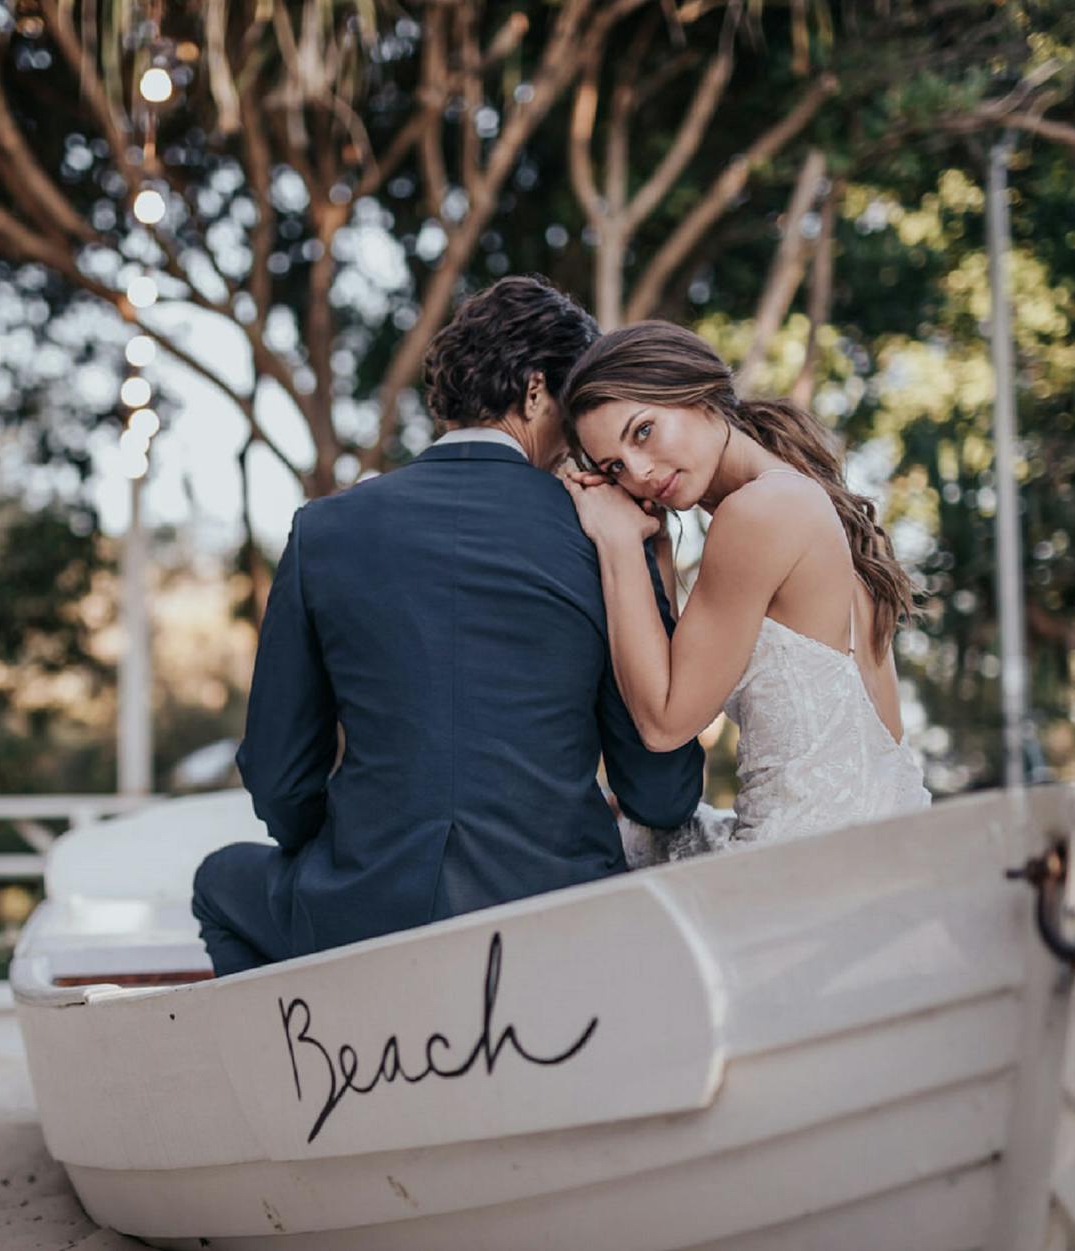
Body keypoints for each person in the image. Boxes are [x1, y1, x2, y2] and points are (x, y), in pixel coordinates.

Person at [191, 276, 705, 977]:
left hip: (363, 911)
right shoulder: (604, 534)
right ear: (533, 391)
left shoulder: (324, 530)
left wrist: (350, 850)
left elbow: (278, 775)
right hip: (557, 913)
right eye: (571, 407)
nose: (579, 448)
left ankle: (315, 1071)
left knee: (220, 883)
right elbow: (661, 792)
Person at [559, 320, 931, 866]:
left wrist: (615, 543)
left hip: (805, 875)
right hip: (884, 854)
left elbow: (663, 724)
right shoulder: (807, 500)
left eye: (642, 431)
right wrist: (655, 550)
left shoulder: (758, 511)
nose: (637, 472)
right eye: (615, 467)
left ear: (699, 393)